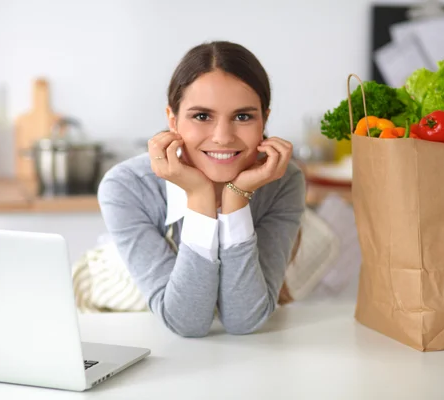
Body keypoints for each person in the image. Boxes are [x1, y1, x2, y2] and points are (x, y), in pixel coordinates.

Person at [98, 40, 306, 337]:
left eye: (243, 116)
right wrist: (199, 197)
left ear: (265, 120)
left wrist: (236, 199)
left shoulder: (283, 181)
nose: (222, 137)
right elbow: (186, 322)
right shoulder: (126, 187)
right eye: (202, 116)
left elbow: (244, 320)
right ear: (173, 120)